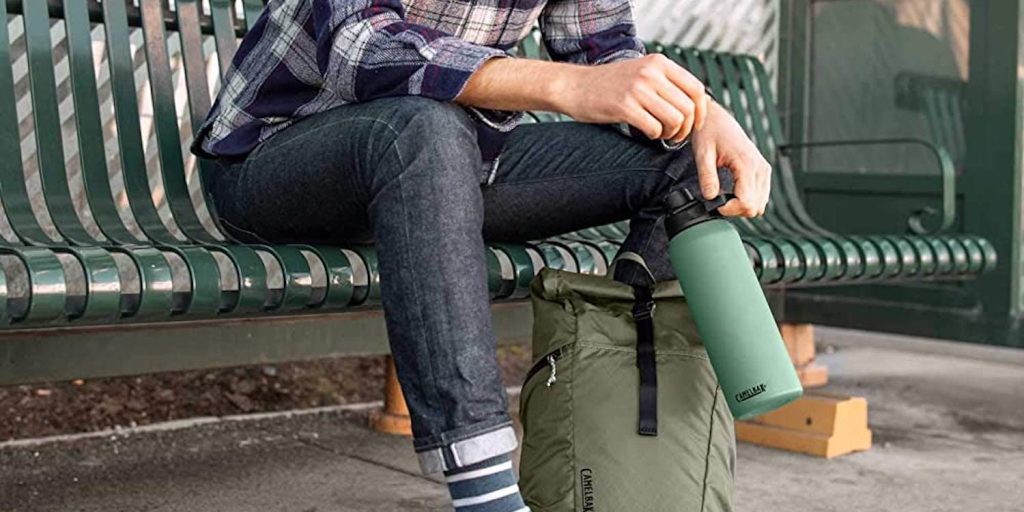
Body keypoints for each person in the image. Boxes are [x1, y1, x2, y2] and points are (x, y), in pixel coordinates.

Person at [193, 1, 771, 510]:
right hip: (275, 157)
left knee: (689, 167)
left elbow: (602, 49)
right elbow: (361, 45)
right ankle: (486, 494)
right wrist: (565, 86)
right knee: (422, 126)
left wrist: (702, 115)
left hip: (450, 161)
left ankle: (606, 453)